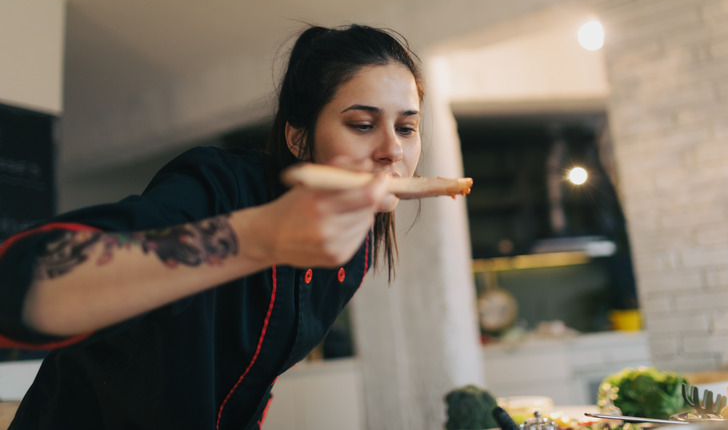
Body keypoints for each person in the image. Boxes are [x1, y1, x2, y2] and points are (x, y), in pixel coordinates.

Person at [0, 24, 424, 429]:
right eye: (362, 125)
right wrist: (257, 238)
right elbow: (21, 284)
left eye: (406, 128)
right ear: (298, 138)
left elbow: (251, 381)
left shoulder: (357, 249)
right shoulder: (218, 188)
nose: (392, 149)